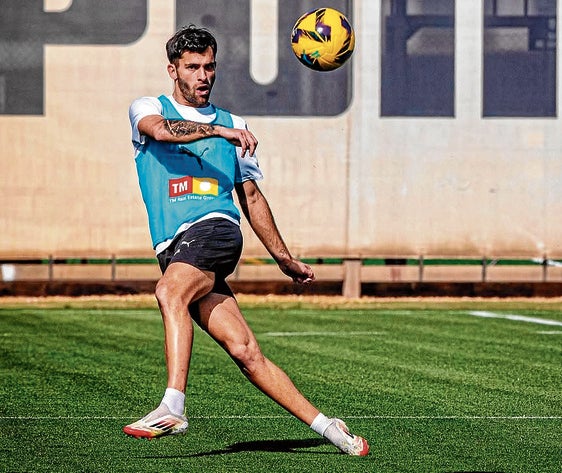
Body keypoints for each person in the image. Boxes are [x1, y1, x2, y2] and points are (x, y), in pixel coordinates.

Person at [123, 24, 369, 456]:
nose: (203, 75)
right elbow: (162, 131)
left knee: (169, 292)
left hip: (214, 230)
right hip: (176, 248)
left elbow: (252, 198)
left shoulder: (235, 124)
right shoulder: (148, 108)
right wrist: (219, 133)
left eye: (210, 66)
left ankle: (173, 405)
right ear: (172, 70)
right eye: (193, 67)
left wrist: (284, 258)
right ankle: (333, 430)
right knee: (245, 351)